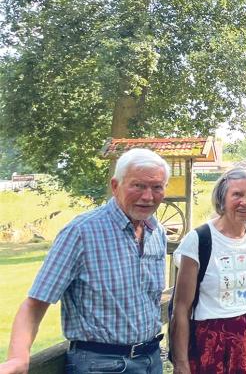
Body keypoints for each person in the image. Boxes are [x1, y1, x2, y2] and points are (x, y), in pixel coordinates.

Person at [0, 149, 169, 374]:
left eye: (156, 187)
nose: (148, 196)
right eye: (138, 186)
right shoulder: (81, 232)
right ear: (115, 185)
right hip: (101, 364)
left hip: (150, 359)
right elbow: (35, 303)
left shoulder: (156, 231)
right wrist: (18, 358)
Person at [171, 167, 246, 374]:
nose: (245, 202)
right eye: (237, 194)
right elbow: (181, 307)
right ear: (222, 198)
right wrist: (181, 363)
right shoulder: (199, 239)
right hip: (212, 345)